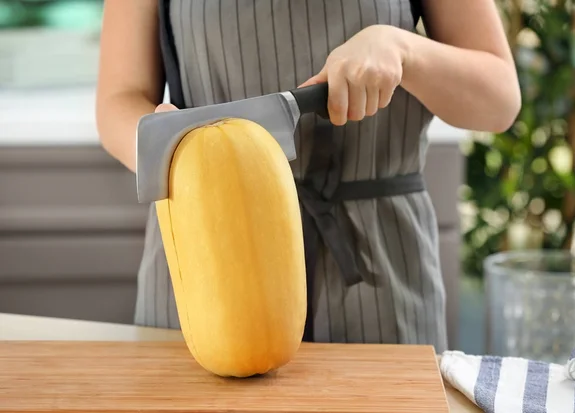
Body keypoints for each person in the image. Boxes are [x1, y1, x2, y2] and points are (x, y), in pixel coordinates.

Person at [96, 0, 520, 352]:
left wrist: (404, 51)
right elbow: (118, 99)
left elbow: (499, 99)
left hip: (381, 277)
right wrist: (183, 156)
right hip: (204, 263)